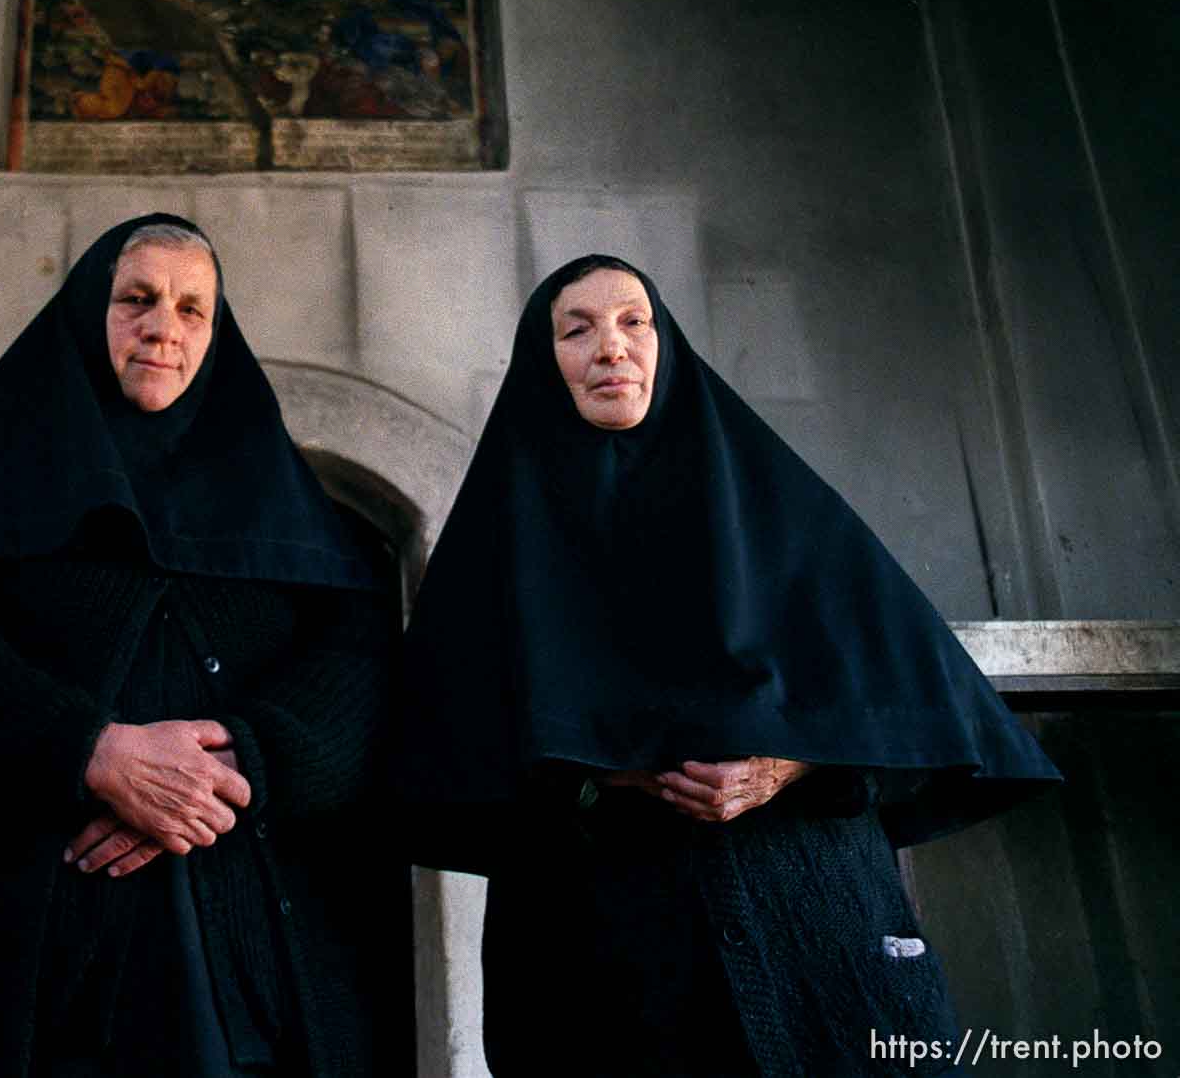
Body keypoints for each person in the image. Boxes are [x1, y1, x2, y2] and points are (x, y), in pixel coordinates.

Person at [397, 254, 1060, 1078]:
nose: (611, 347)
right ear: (545, 361)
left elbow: (921, 704)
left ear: (664, 343)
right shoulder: (497, 544)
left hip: (808, 919)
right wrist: (595, 778)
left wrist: (790, 760)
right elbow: (445, 759)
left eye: (634, 322)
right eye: (577, 330)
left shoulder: (781, 510)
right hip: (603, 949)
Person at [0, 214, 412, 1077]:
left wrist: (234, 769)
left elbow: (360, 666)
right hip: (33, 969)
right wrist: (91, 752)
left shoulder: (285, 505)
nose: (165, 326)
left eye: (195, 309)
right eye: (138, 299)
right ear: (91, 312)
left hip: (245, 971)